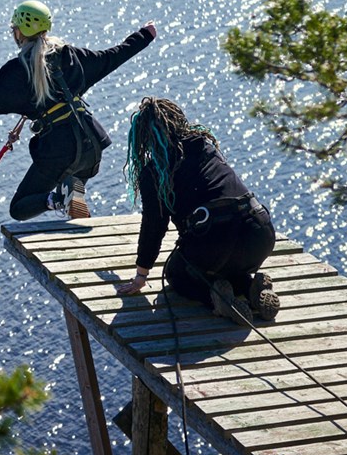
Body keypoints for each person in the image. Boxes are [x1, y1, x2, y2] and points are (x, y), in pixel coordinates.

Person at [0, 1, 156, 220]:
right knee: (74, 177)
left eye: (13, 29)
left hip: (59, 151)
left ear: (19, 32)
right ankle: (71, 192)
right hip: (91, 146)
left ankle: (58, 199)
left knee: (19, 208)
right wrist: (145, 35)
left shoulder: (18, 72)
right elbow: (113, 56)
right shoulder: (71, 56)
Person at [114, 97, 280, 324]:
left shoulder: (154, 172)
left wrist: (141, 275)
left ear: (144, 138)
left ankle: (218, 302)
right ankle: (251, 288)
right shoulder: (205, 146)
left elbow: (154, 226)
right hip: (260, 234)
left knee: (177, 274)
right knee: (224, 264)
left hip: (215, 242)